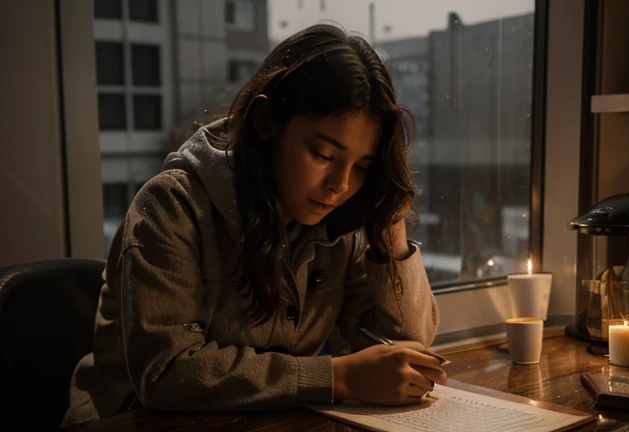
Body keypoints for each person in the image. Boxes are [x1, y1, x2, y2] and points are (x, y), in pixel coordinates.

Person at [61, 24, 446, 427]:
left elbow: (405, 350)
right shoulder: (170, 207)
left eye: (363, 166)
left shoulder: (338, 222)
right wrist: (338, 376)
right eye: (322, 153)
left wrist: (389, 226)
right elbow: (166, 373)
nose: (341, 185)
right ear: (266, 122)